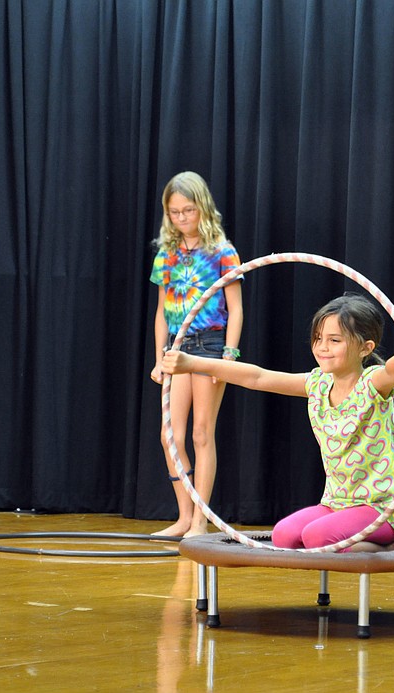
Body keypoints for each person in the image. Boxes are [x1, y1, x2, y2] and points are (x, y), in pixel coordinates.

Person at [161, 292, 394, 552]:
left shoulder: (372, 383)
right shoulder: (317, 384)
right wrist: (193, 362)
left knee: (317, 538)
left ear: (365, 348)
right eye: (318, 338)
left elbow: (393, 371)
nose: (322, 347)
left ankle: (388, 545)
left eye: (334, 340)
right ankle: (355, 539)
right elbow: (258, 378)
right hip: (337, 503)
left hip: (381, 509)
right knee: (284, 535)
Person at [149, 171, 244, 537]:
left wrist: (229, 357)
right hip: (177, 347)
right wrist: (160, 356)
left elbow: (234, 308)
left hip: (209, 346)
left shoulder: (222, 251)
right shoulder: (167, 255)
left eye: (188, 210)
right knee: (169, 435)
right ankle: (184, 516)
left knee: (202, 433)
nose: (182, 218)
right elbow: (162, 311)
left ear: (202, 208)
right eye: (174, 212)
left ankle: (200, 521)